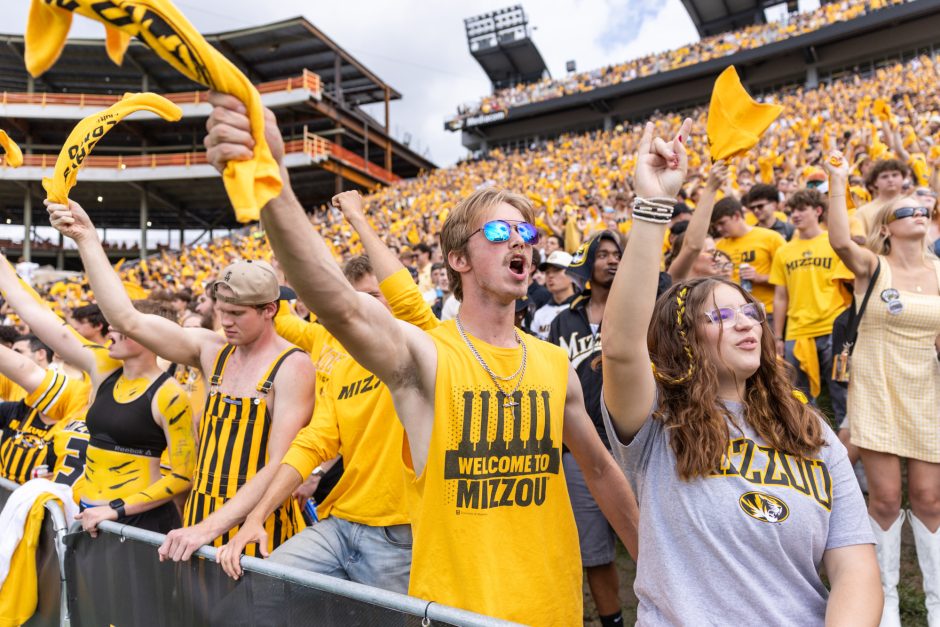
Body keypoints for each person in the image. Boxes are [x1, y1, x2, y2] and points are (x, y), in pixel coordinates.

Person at [203, 91, 638, 625]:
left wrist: (658, 568)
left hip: (551, 610)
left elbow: (600, 469)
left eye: (526, 233)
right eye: (498, 232)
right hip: (455, 612)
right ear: (458, 259)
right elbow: (337, 302)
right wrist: (272, 184)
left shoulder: (553, 364)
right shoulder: (426, 354)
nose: (518, 243)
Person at [600, 121, 881, 625]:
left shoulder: (810, 432)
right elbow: (621, 349)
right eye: (722, 316)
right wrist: (653, 206)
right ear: (683, 339)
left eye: (750, 312)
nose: (747, 323)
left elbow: (855, 568)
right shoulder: (657, 421)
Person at [45, 201, 315, 556]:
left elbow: (279, 464)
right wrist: (87, 239)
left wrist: (210, 527)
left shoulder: (293, 366)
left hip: (257, 526)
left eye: (236, 313)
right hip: (201, 516)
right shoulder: (212, 350)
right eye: (221, 311)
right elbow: (128, 320)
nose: (225, 322)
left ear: (269, 310)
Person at [218, 191, 446, 592]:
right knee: (260, 591)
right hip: (339, 521)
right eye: (357, 301)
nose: (365, 310)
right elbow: (313, 442)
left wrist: (357, 218)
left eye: (375, 298)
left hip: (401, 532)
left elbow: (407, 300)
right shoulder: (340, 363)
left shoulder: (425, 347)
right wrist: (256, 516)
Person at [0, 257, 196, 535]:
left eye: (119, 325)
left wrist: (117, 509)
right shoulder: (103, 368)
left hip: (138, 524)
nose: (109, 330)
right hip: (90, 514)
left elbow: (183, 475)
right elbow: (37, 314)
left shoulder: (171, 395)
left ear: (147, 335)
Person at [826, 150, 940, 627]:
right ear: (887, 227)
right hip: (877, 389)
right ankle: (886, 600)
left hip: (926, 390)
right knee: (887, 499)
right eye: (907, 210)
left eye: (924, 209)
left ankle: (936, 604)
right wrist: (838, 180)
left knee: (930, 500)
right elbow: (838, 239)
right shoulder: (873, 265)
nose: (919, 213)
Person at [544, 230, 628, 626]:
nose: (612, 260)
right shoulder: (564, 320)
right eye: (603, 254)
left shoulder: (637, 308)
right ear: (586, 263)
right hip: (581, 447)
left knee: (659, 541)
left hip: (636, 442)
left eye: (617, 254)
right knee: (594, 553)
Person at [769, 189, 853, 422]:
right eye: (792, 211)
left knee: (843, 388)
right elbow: (780, 296)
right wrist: (778, 336)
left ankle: (849, 441)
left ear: (817, 211)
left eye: (801, 209)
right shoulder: (784, 251)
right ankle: (811, 440)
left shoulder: (834, 242)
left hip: (834, 329)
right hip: (797, 331)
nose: (795, 215)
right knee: (799, 395)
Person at [711, 196, 786, 321]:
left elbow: (790, 277)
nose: (719, 229)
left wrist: (759, 277)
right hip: (736, 314)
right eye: (716, 225)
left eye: (722, 223)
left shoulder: (771, 238)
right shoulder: (719, 246)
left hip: (768, 311)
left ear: (736, 216)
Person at [666, 160, 728, 280]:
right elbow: (692, 246)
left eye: (715, 252)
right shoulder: (676, 283)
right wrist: (710, 188)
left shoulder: (720, 285)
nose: (717, 258)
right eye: (709, 252)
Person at [529, 251, 576, 340]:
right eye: (547, 272)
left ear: (572, 274)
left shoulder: (584, 308)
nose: (550, 275)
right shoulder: (540, 314)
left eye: (556, 270)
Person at [856, 159, 908, 234]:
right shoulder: (863, 212)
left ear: (903, 178)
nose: (890, 180)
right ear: (875, 182)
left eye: (895, 175)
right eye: (884, 176)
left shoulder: (914, 205)